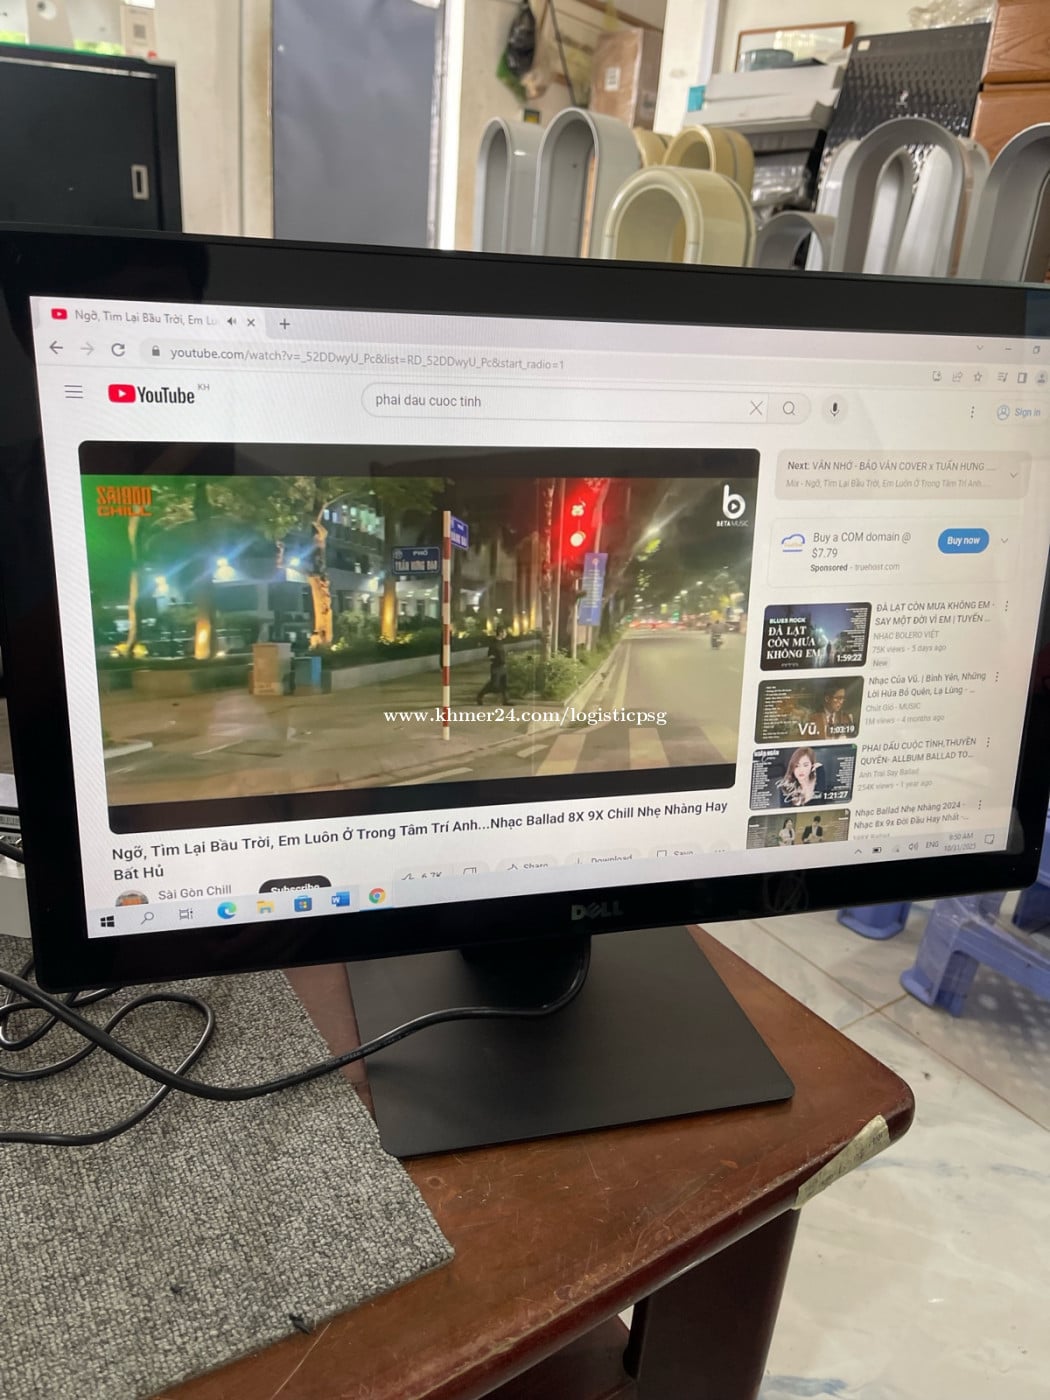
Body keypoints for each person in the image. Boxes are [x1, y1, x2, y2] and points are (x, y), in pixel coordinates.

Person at [476, 625, 509, 705]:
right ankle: (480, 695)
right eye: (505, 632)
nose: (506, 634)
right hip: (496, 667)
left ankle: (505, 701)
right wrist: (496, 660)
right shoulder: (494, 644)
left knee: (504, 684)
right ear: (500, 633)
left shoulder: (501, 642)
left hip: (503, 666)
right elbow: (490, 655)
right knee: (494, 685)